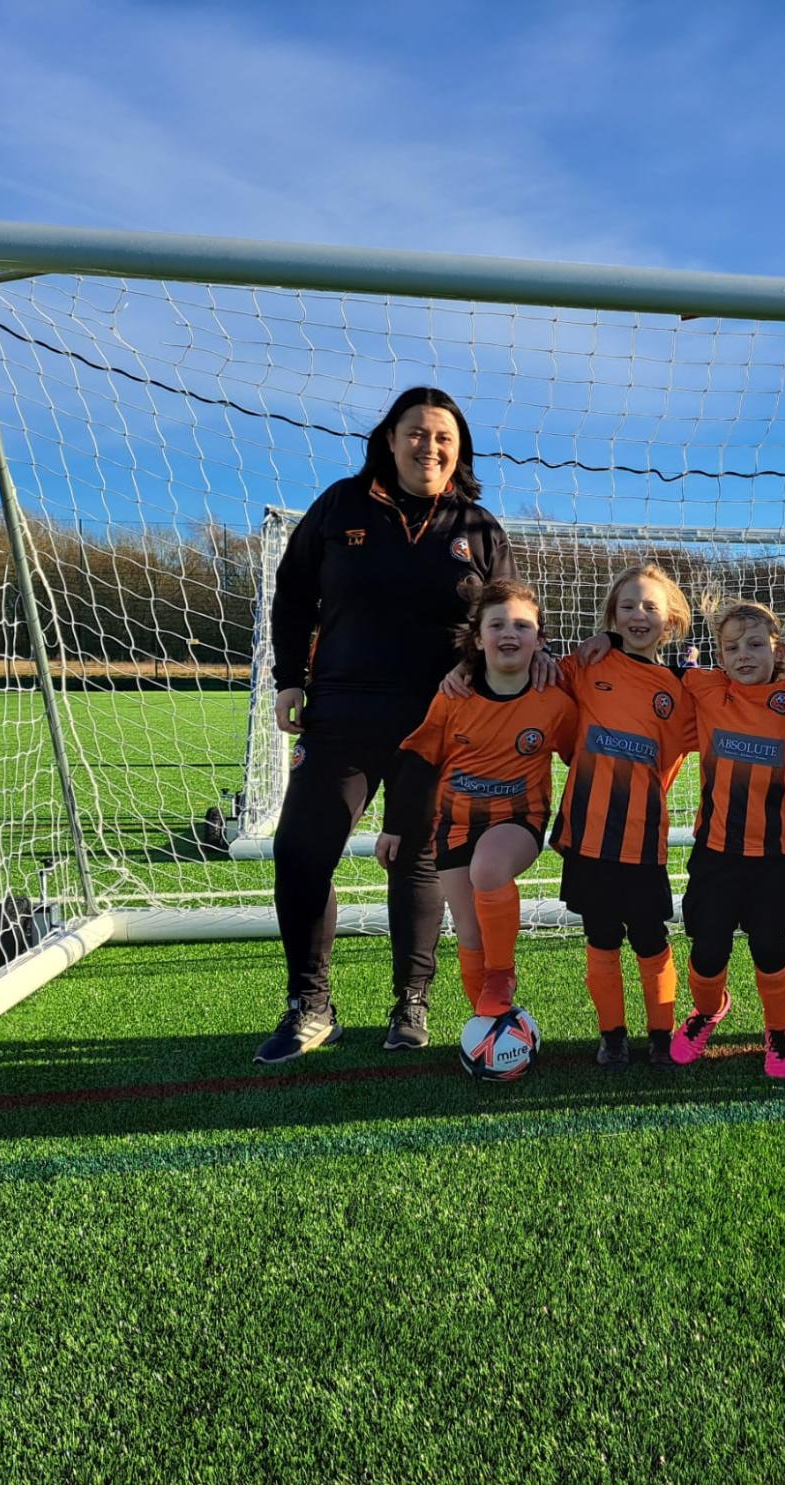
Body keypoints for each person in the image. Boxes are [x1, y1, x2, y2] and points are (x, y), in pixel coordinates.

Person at [256, 386, 522, 1064]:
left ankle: (411, 1002)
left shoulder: (479, 526)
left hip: (438, 721)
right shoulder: (340, 506)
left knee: (415, 859)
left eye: (443, 437)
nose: (428, 446)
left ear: (458, 450)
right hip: (342, 712)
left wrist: (505, 683)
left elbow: (508, 617)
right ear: (389, 436)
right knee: (301, 850)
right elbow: (292, 594)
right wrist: (290, 676)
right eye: (416, 432)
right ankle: (310, 1005)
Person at [376, 580, 577, 1019]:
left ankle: (503, 972)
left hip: (519, 819)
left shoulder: (556, 703)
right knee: (469, 932)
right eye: (497, 624)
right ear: (478, 637)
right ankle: (489, 1026)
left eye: (523, 625)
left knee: (488, 869)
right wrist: (395, 824)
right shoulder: (453, 697)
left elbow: (582, 757)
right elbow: (417, 759)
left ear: (539, 641)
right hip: (453, 825)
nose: (509, 633)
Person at [554, 564, 697, 1071]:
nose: (639, 615)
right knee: (600, 937)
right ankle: (612, 1036)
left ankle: (661, 1036)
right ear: (612, 613)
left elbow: (741, 707)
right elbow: (532, 671)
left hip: (642, 839)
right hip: (588, 835)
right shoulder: (584, 666)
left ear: (673, 620)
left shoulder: (683, 690)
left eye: (651, 607)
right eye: (628, 605)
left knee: (651, 938)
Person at [669, 600, 785, 1079]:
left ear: (779, 649)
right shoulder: (707, 689)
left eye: (756, 644)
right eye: (731, 647)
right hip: (715, 851)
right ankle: (707, 1011)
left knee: (770, 948)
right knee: (708, 951)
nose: (743, 655)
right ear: (719, 654)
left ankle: (778, 1030)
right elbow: (670, 673)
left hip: (774, 856)